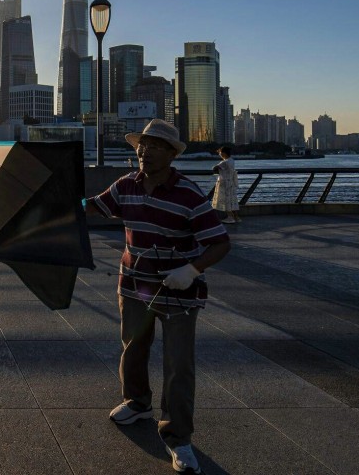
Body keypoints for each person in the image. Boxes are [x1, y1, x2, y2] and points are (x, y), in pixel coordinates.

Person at [85, 119, 230, 475]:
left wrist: (190, 271)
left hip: (179, 291)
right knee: (133, 347)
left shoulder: (189, 194)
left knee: (179, 365)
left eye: (155, 147)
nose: (145, 152)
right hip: (134, 286)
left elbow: (220, 242)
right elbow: (95, 207)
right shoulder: (126, 186)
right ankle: (136, 402)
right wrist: (57, 200)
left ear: (171, 154)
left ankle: (179, 438)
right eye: (142, 145)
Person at [212, 145, 241, 223]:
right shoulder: (232, 160)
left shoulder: (224, 162)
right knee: (232, 200)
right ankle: (236, 217)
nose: (220, 154)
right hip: (231, 183)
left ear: (224, 153)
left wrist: (216, 169)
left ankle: (230, 217)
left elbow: (214, 168)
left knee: (226, 200)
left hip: (225, 184)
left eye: (220, 153)